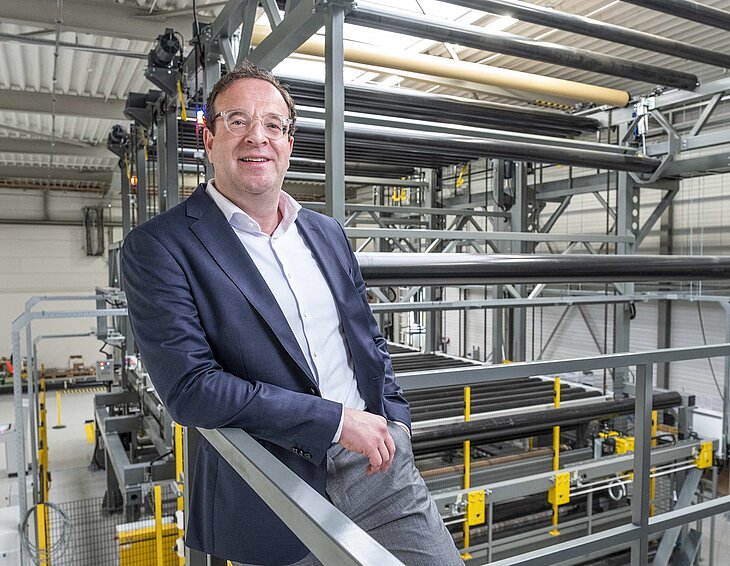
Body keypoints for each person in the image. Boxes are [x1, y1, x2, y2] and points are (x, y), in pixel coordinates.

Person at [122, 62, 463, 566]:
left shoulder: (326, 232)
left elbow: (366, 339)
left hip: (379, 466)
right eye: (237, 120)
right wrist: (334, 422)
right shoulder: (160, 246)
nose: (256, 136)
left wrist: (397, 422)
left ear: (288, 142)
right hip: (273, 488)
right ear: (208, 137)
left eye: (272, 124)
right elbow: (191, 389)